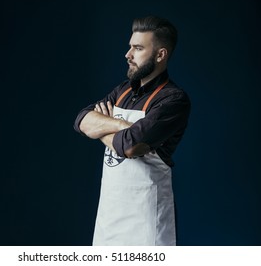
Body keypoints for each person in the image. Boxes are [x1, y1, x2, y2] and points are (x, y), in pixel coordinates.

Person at [73, 15, 191, 246]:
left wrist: (103, 127)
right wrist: (122, 126)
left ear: (160, 55)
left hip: (146, 221)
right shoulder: (123, 91)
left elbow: (131, 147)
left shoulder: (173, 100)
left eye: (137, 48)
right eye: (130, 47)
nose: (128, 55)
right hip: (109, 215)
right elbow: (81, 121)